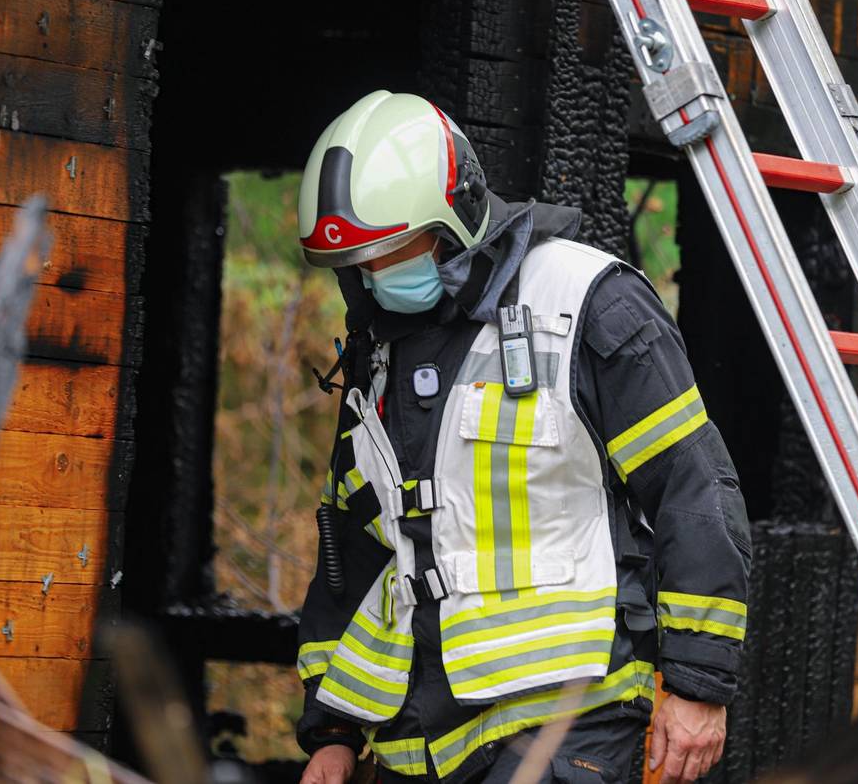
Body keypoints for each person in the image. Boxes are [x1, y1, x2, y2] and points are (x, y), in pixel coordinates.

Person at [294, 91, 751, 784]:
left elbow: (693, 488)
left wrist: (697, 685)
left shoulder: (588, 301)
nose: (374, 275)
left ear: (454, 219)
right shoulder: (377, 353)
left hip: (568, 724)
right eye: (358, 262)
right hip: (417, 741)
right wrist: (331, 729)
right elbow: (357, 553)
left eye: (390, 251)